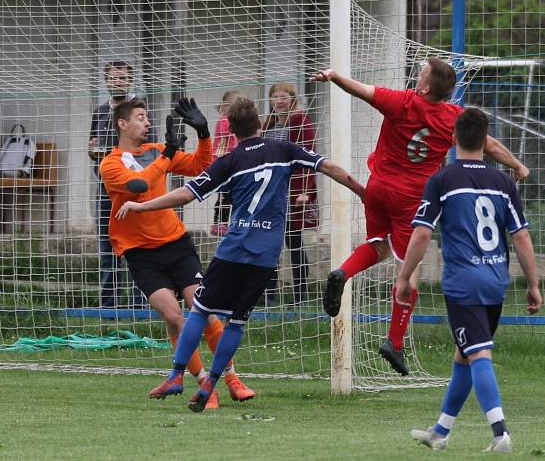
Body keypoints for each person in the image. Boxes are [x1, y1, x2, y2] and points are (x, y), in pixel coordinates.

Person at [116, 96, 364, 412]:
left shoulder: (230, 161)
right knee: (236, 323)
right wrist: (362, 192)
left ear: (230, 130)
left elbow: (187, 194)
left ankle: (177, 374)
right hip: (266, 256)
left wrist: (142, 204)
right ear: (259, 123)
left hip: (234, 249)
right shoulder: (284, 150)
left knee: (201, 311)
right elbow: (328, 166)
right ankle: (211, 383)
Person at [310, 57, 529, 375]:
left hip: (378, 187)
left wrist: (333, 76)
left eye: (421, 73)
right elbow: (489, 144)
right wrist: (517, 166)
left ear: (426, 86)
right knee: (409, 268)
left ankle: (343, 272)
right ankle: (395, 342)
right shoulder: (452, 118)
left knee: (377, 246)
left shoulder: (401, 102)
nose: (416, 75)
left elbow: (360, 90)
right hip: (410, 199)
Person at [397, 108, 541, 453]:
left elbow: (421, 233)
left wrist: (404, 277)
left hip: (463, 282)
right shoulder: (504, 182)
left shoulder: (443, 180)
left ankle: (501, 432)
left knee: (479, 354)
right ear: (486, 140)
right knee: (465, 353)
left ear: (452, 138)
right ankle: (440, 432)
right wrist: (533, 284)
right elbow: (520, 237)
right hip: (495, 279)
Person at [100, 96, 254, 408]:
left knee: (205, 310)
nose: (146, 122)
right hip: (141, 254)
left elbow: (202, 165)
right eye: (140, 117)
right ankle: (202, 386)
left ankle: (232, 378)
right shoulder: (110, 163)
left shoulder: (157, 151)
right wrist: (168, 154)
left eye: (146, 117)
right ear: (122, 124)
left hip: (176, 244)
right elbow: (139, 186)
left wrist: (204, 133)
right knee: (173, 316)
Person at [88, 61, 140, 308]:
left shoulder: (138, 108)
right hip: (104, 190)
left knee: (136, 247)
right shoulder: (99, 111)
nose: (117, 82)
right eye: (112, 78)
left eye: (121, 78)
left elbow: (144, 147)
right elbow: (93, 146)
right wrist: (93, 151)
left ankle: (138, 306)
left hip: (131, 191)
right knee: (107, 250)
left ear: (130, 80)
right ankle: (109, 307)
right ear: (106, 81)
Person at [261, 83, 318, 305]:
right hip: (271, 191)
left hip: (293, 190)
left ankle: (300, 296)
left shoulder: (301, 120)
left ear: (292, 99)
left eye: (284, 96)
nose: (279, 100)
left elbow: (309, 154)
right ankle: (269, 294)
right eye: (275, 97)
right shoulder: (269, 125)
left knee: (294, 242)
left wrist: (305, 190)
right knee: (269, 242)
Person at [210, 90, 240, 237]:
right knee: (224, 193)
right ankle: (219, 222)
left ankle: (225, 222)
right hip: (223, 161)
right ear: (226, 106)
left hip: (229, 161)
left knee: (229, 193)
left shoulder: (229, 120)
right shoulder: (225, 121)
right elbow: (226, 140)